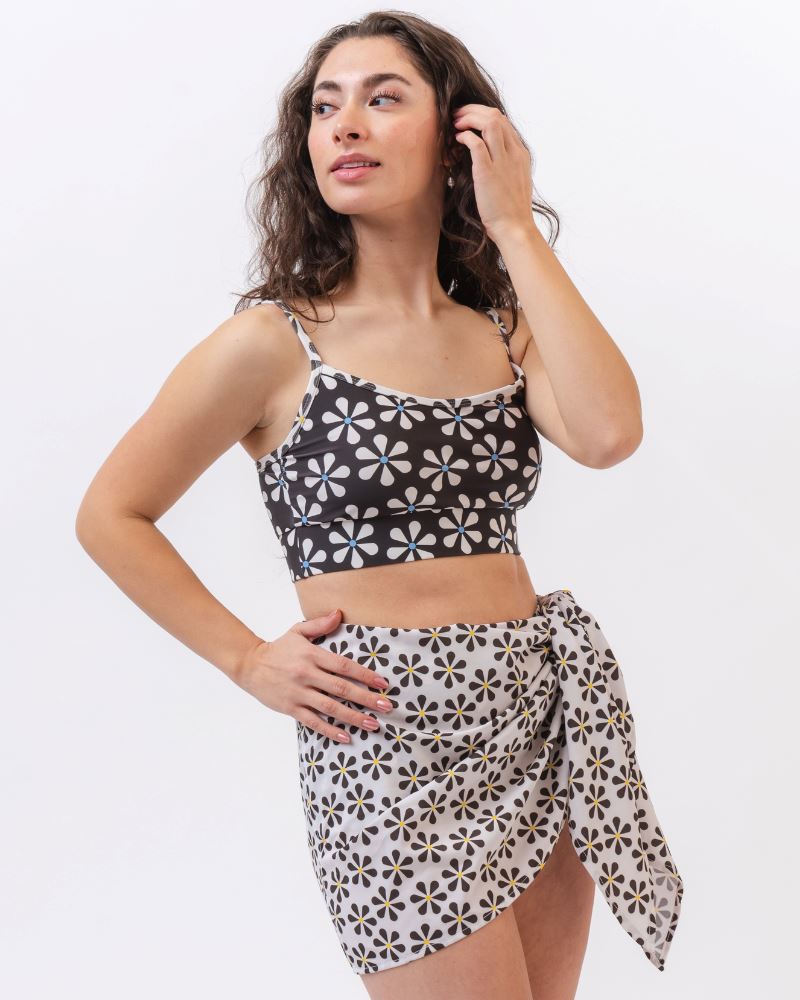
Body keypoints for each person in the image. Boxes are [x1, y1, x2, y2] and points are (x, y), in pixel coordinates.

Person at [75, 11, 683, 1000]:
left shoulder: (502, 327)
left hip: (533, 713)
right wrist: (246, 657)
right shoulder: (274, 341)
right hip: (384, 736)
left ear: (458, 136)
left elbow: (610, 434)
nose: (343, 125)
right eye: (324, 107)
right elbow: (111, 511)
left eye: (381, 97)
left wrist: (515, 227)